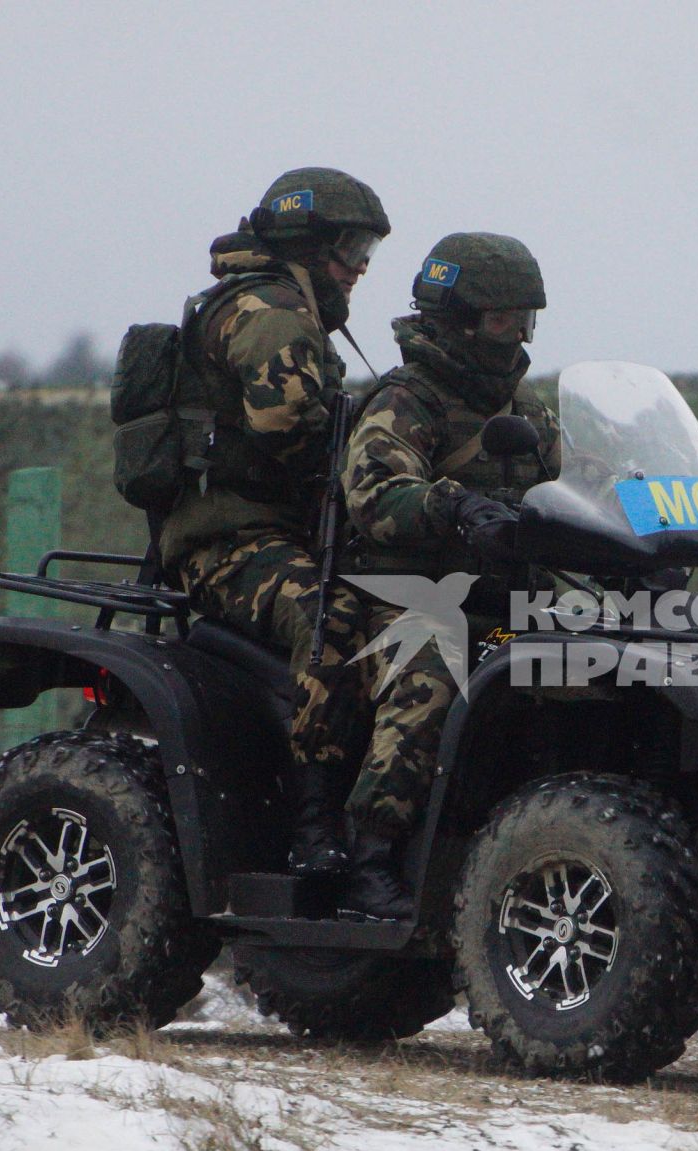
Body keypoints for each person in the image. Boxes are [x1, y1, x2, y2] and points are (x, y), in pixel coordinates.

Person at [158, 167, 390, 877]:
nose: (357, 270)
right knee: (333, 618)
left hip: (280, 534)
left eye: (365, 254)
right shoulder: (269, 312)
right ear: (306, 244)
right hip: (230, 545)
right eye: (349, 250)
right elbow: (292, 429)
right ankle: (312, 822)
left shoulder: (291, 310)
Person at [337, 232, 559, 922]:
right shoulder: (406, 400)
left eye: (526, 321)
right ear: (458, 318)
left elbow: (576, 487)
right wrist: (452, 504)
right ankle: (370, 856)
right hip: (406, 595)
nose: (516, 335)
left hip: (508, 599)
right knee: (432, 669)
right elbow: (375, 498)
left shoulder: (527, 410)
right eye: (502, 320)